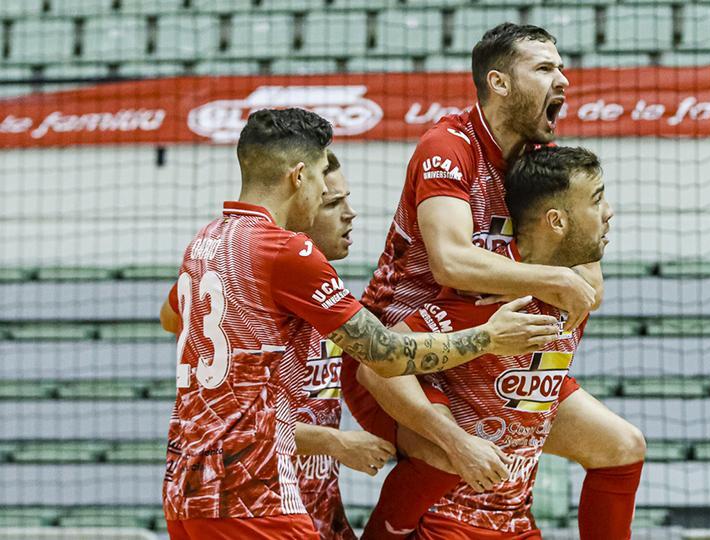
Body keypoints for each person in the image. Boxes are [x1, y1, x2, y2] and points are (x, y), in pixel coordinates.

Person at [158, 108, 561, 539]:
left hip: (190, 487)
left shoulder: (205, 243)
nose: (330, 202)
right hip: (255, 492)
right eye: (322, 185)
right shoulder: (285, 250)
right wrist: (487, 337)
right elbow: (387, 356)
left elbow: (171, 317)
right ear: (299, 177)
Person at [346, 24, 646, 540]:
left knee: (621, 446)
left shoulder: (537, 162)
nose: (565, 80)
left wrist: (561, 276)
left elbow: (586, 271)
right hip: (404, 350)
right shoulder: (448, 147)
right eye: (545, 68)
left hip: (491, 346)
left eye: (562, 67)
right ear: (500, 82)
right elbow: (451, 263)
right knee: (446, 454)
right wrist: (551, 278)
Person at [373, 146, 619, 539]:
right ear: (556, 221)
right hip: (453, 520)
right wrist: (456, 442)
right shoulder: (495, 296)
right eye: (597, 200)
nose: (609, 211)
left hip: (515, 518)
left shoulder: (574, 285)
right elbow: (378, 364)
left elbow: (591, 280)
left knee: (623, 447)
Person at [291, 151, 392, 539]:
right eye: (333, 203)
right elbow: (249, 428)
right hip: (265, 512)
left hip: (316, 507)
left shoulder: (323, 286)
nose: (350, 214)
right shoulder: (260, 287)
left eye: (347, 199)